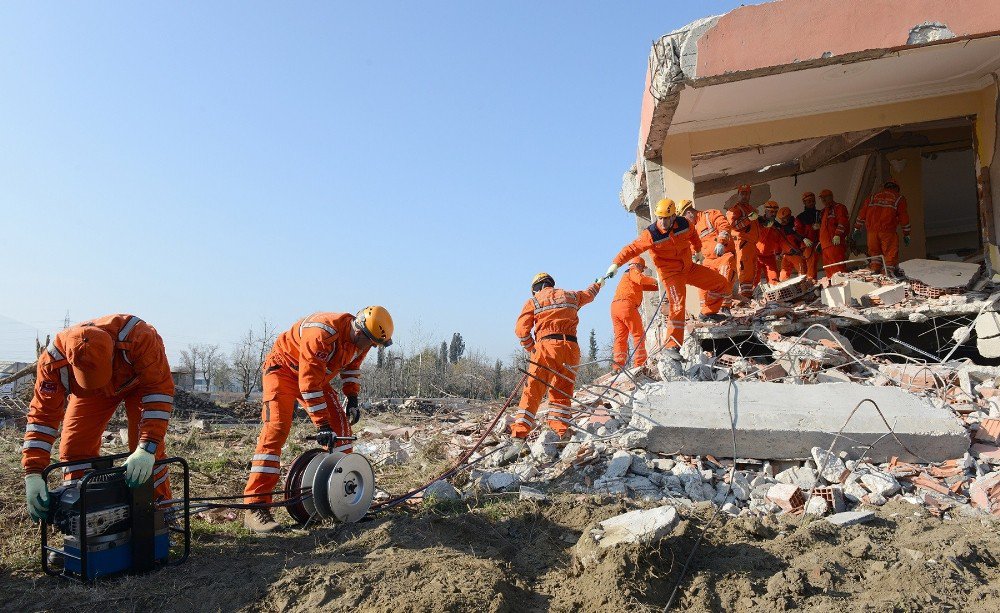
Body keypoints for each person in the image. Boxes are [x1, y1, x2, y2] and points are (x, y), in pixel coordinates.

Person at [242, 307, 393, 533]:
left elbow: (352, 367)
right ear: (359, 330)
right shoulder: (322, 332)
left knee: (341, 431)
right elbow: (309, 385)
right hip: (283, 370)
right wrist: (322, 425)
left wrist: (352, 396)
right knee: (276, 430)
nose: (369, 348)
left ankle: (340, 500)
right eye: (369, 342)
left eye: (374, 345)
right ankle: (255, 508)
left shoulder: (364, 339)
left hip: (315, 376)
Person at [23, 314, 175, 522]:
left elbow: (158, 393)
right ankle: (81, 519)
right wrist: (33, 472)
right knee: (74, 448)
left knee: (145, 453)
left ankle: (160, 515)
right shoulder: (52, 363)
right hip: (90, 393)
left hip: (139, 383)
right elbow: (42, 417)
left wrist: (147, 448)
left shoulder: (140, 337)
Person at [606, 198, 729, 361]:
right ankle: (671, 346)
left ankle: (707, 313)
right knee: (678, 305)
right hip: (671, 275)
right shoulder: (651, 234)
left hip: (688, 267)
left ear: (673, 217)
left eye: (666, 218)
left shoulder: (684, 224)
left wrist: (698, 250)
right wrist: (615, 264)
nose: (662, 222)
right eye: (659, 218)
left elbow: (693, 234)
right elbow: (631, 249)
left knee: (720, 283)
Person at [501, 273, 602, 465]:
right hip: (571, 349)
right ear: (551, 284)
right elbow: (589, 294)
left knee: (533, 391)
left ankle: (519, 438)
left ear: (536, 288)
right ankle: (560, 433)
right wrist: (599, 283)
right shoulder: (571, 296)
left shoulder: (534, 300)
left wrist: (532, 348)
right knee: (562, 393)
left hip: (546, 347)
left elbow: (521, 331)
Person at [678, 199, 736, 308]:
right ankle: (707, 313)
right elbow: (691, 247)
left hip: (723, 256)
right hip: (708, 261)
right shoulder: (691, 229)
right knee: (703, 286)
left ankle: (724, 308)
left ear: (689, 212)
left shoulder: (710, 215)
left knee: (724, 278)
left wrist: (721, 243)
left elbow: (724, 227)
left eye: (685, 219)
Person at [610, 257, 658, 371]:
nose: (642, 271)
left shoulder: (627, 277)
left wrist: (659, 285)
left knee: (620, 338)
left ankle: (617, 366)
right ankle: (640, 364)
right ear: (638, 266)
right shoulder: (633, 271)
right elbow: (641, 280)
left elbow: (644, 286)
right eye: (642, 269)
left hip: (615, 307)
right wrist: (656, 280)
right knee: (638, 334)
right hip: (627, 306)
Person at [853, 178, 910, 274]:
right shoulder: (898, 198)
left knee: (875, 255)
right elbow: (904, 218)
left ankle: (875, 270)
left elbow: (862, 214)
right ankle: (887, 274)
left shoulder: (872, 197)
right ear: (897, 188)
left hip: (871, 233)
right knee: (890, 255)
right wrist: (906, 234)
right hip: (887, 232)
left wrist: (856, 228)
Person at [725, 185, 761, 299]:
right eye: (742, 193)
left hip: (751, 243)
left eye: (747, 193)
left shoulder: (750, 208)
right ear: (738, 194)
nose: (745, 196)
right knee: (744, 269)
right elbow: (733, 225)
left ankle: (747, 296)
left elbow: (753, 226)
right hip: (742, 242)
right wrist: (748, 219)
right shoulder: (735, 209)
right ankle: (745, 296)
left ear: (750, 194)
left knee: (751, 269)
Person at [819, 188, 850, 276]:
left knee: (838, 268)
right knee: (829, 270)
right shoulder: (823, 211)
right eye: (822, 198)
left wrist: (838, 235)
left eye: (826, 197)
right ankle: (833, 286)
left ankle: (843, 285)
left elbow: (843, 221)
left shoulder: (839, 207)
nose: (823, 200)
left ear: (831, 197)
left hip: (834, 244)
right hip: (825, 245)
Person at [774, 207, 812, 281]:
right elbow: (779, 241)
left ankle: (805, 289)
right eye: (781, 219)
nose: (783, 221)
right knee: (783, 277)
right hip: (786, 256)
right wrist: (777, 253)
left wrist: (802, 239)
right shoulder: (781, 228)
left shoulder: (796, 223)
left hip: (796, 254)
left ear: (789, 216)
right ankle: (784, 291)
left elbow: (800, 234)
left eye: (785, 218)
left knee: (802, 276)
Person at [756, 201, 782, 285]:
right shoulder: (758, 222)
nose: (773, 214)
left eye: (775, 212)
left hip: (770, 257)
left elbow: (778, 241)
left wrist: (778, 253)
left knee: (774, 281)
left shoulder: (777, 226)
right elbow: (758, 237)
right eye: (771, 211)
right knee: (754, 281)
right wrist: (766, 227)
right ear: (765, 211)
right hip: (756, 256)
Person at [796, 192, 821, 279]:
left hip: (819, 243)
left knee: (813, 266)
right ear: (804, 202)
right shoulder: (800, 217)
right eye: (809, 201)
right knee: (810, 267)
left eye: (813, 201)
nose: (811, 203)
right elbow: (797, 232)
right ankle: (811, 284)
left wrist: (820, 227)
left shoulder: (820, 213)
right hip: (808, 245)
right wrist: (804, 239)